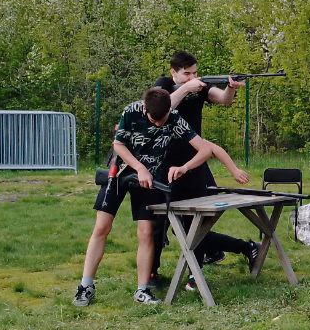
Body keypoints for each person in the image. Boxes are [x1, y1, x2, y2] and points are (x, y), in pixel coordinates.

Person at [73, 86, 250, 307]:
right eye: (153, 119)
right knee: (101, 228)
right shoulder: (131, 111)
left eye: (162, 119)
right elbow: (118, 145)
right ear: (145, 108)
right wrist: (139, 168)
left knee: (147, 233)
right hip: (120, 174)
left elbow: (205, 149)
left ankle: (142, 289)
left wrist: (184, 167)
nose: (158, 124)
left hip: (150, 180)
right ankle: (85, 286)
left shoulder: (174, 118)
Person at [151, 51, 259, 285]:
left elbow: (224, 99)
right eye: (186, 73)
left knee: (195, 225)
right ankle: (151, 274)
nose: (192, 77)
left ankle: (195, 273)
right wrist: (187, 88)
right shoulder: (164, 85)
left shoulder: (200, 87)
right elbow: (163, 108)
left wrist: (231, 87)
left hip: (195, 160)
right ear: (173, 73)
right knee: (158, 225)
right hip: (165, 164)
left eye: (195, 73)